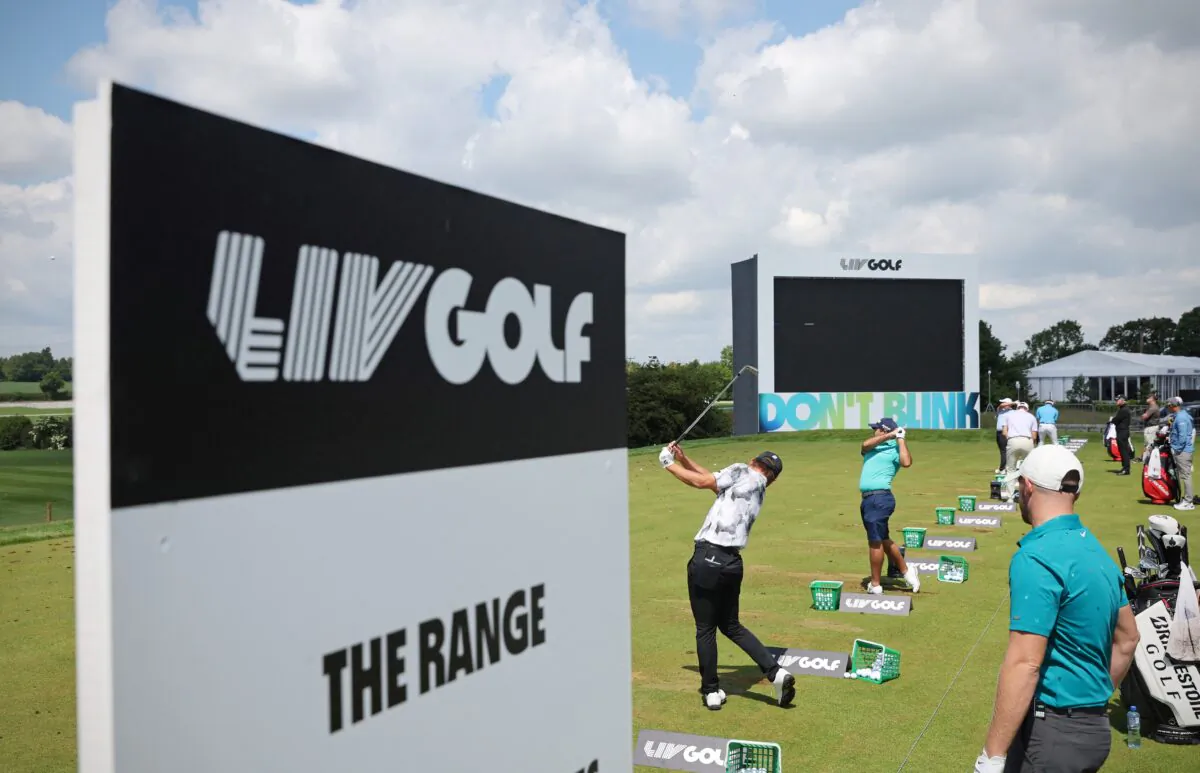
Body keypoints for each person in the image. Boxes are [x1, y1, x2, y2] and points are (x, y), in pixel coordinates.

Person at [974, 445, 1140, 773]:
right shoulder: (1096, 550)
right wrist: (1092, 698)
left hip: (1052, 735)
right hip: (1092, 731)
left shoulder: (1035, 556)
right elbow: (1128, 639)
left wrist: (991, 757)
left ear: (1029, 486)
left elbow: (1024, 663)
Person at [658, 441, 796, 710]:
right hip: (733, 563)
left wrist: (668, 463)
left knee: (705, 629)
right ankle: (775, 672)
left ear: (753, 461)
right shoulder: (758, 488)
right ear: (773, 478)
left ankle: (711, 690)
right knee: (731, 625)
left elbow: (701, 483)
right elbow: (712, 480)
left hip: (708, 558)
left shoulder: (740, 470)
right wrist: (685, 459)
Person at [858, 417, 921, 595]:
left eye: (877, 428)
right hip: (868, 500)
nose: (874, 430)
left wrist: (900, 439)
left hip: (880, 498)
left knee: (875, 542)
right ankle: (907, 572)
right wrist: (891, 435)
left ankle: (876, 585)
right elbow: (864, 445)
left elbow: (906, 462)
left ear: (883, 430)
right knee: (883, 539)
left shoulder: (895, 449)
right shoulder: (873, 446)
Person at [1001, 402, 1038, 500]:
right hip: (1027, 441)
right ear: (1027, 408)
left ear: (1017, 408)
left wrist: (1010, 439)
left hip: (1013, 440)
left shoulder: (1008, 415)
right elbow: (1034, 436)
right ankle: (1029, 495)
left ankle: (1010, 497)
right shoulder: (1032, 417)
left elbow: (1004, 432)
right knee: (1029, 469)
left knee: (1011, 470)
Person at [1167, 396, 1195, 511]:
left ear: (1174, 406)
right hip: (1182, 450)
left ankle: (1188, 502)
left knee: (1186, 475)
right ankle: (1187, 500)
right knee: (1185, 475)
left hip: (1182, 451)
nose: (1168, 407)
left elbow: (1182, 437)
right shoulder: (1179, 416)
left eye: (1169, 405)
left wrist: (1176, 448)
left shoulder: (1181, 418)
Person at [1111, 396, 1132, 475]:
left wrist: (1112, 420)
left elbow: (1116, 420)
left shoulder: (1124, 410)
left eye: (1118, 400)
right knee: (1122, 450)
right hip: (1121, 431)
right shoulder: (1122, 409)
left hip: (1123, 432)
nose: (1116, 401)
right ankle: (1124, 467)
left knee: (1124, 451)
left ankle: (1126, 469)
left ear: (1123, 401)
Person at [995, 398, 1014, 473]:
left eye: (1004, 402)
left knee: (1005, 451)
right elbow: (1001, 405)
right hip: (999, 433)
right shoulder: (1000, 410)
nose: (1002, 404)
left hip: (1007, 432)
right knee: (1003, 451)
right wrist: (1014, 402)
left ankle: (1003, 468)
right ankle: (1004, 467)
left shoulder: (1013, 412)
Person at [1141, 393, 1162, 464]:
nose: (1147, 398)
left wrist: (1143, 415)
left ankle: (1148, 460)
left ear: (1152, 399)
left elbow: (1145, 416)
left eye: (1148, 397)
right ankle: (1146, 459)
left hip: (1152, 428)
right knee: (1147, 444)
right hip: (1150, 427)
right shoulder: (1150, 406)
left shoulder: (1153, 407)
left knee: (1150, 444)